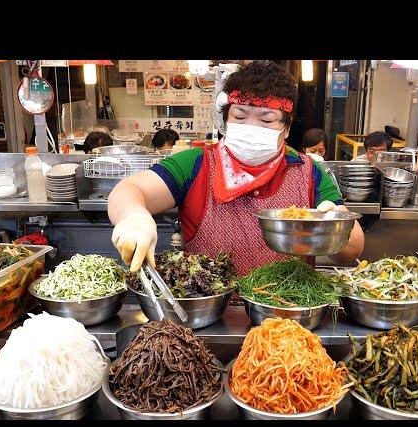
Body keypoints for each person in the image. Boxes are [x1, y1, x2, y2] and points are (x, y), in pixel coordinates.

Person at [108, 60, 364, 275]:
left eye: (266, 119)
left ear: (286, 129)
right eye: (240, 117)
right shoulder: (197, 163)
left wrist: (331, 227)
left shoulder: (309, 172)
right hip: (210, 319)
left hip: (287, 320)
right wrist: (134, 217)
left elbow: (353, 250)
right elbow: (129, 190)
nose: (251, 127)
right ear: (227, 120)